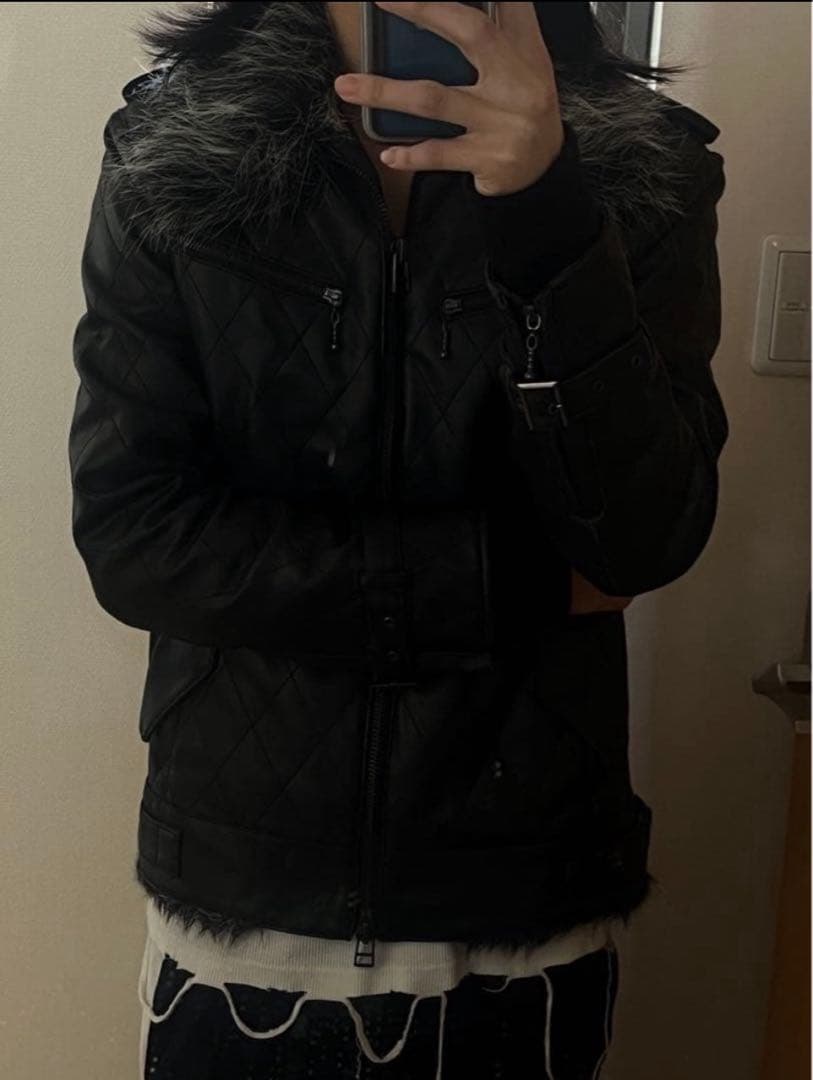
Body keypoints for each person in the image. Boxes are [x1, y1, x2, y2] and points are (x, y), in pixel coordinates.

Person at [68, 1, 728, 1076]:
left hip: (520, 905)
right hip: (247, 907)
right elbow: (134, 533)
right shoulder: (175, 150)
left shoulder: (642, 166)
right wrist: (504, 582)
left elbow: (645, 538)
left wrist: (548, 209)